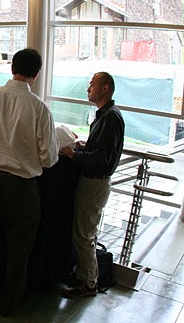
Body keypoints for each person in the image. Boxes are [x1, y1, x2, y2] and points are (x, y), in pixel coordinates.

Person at [0, 47, 59, 316]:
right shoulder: (40, 108)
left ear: (11, 67)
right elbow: (49, 158)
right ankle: (9, 303)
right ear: (36, 74)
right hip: (23, 188)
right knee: (19, 250)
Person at [60, 72, 125, 298]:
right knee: (85, 232)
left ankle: (88, 283)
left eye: (92, 85)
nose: (88, 89)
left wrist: (72, 154)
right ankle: (84, 274)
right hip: (93, 182)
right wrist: (83, 145)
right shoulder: (106, 116)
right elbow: (100, 150)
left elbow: (102, 158)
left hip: (95, 183)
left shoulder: (110, 118)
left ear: (105, 89)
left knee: (84, 235)